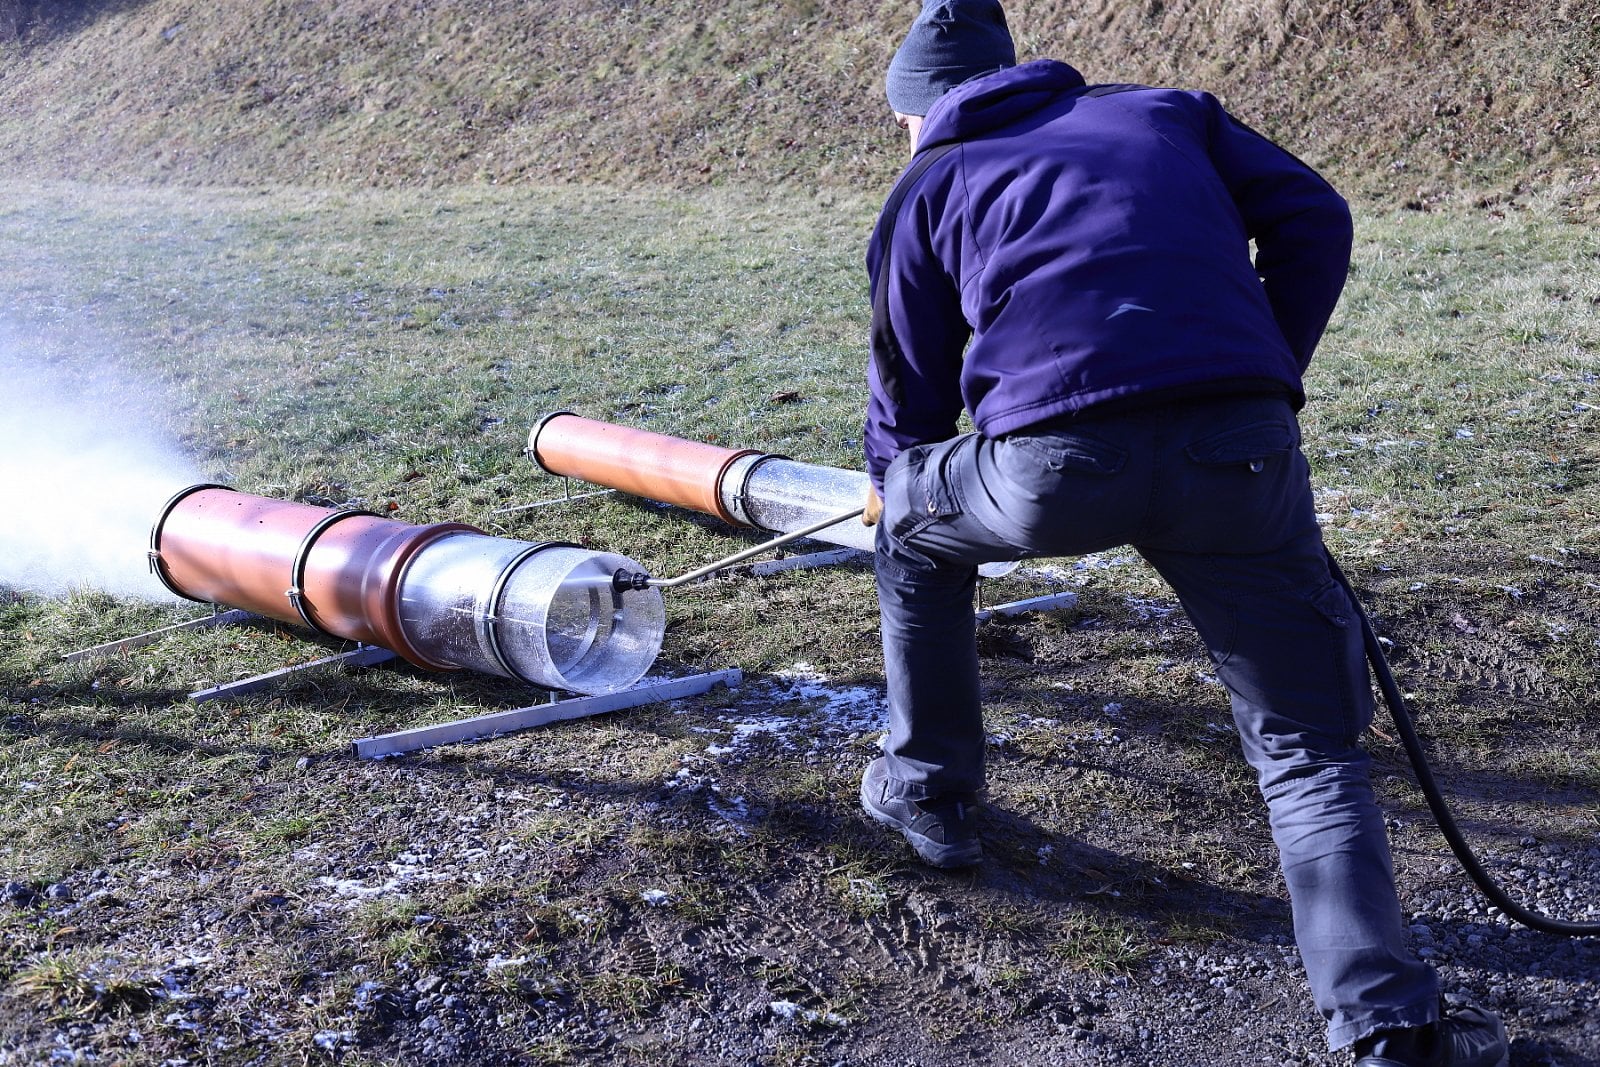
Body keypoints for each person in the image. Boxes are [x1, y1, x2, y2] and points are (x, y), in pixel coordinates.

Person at [854, 2, 1510, 1065]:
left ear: (920, 109)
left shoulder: (929, 180)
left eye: (900, 123)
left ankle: (927, 788)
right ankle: (1387, 1027)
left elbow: (907, 385)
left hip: (1052, 468)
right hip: (1238, 452)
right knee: (1306, 746)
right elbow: (1314, 217)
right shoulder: (1168, 112)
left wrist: (898, 483)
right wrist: (1258, 372)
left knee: (913, 531)